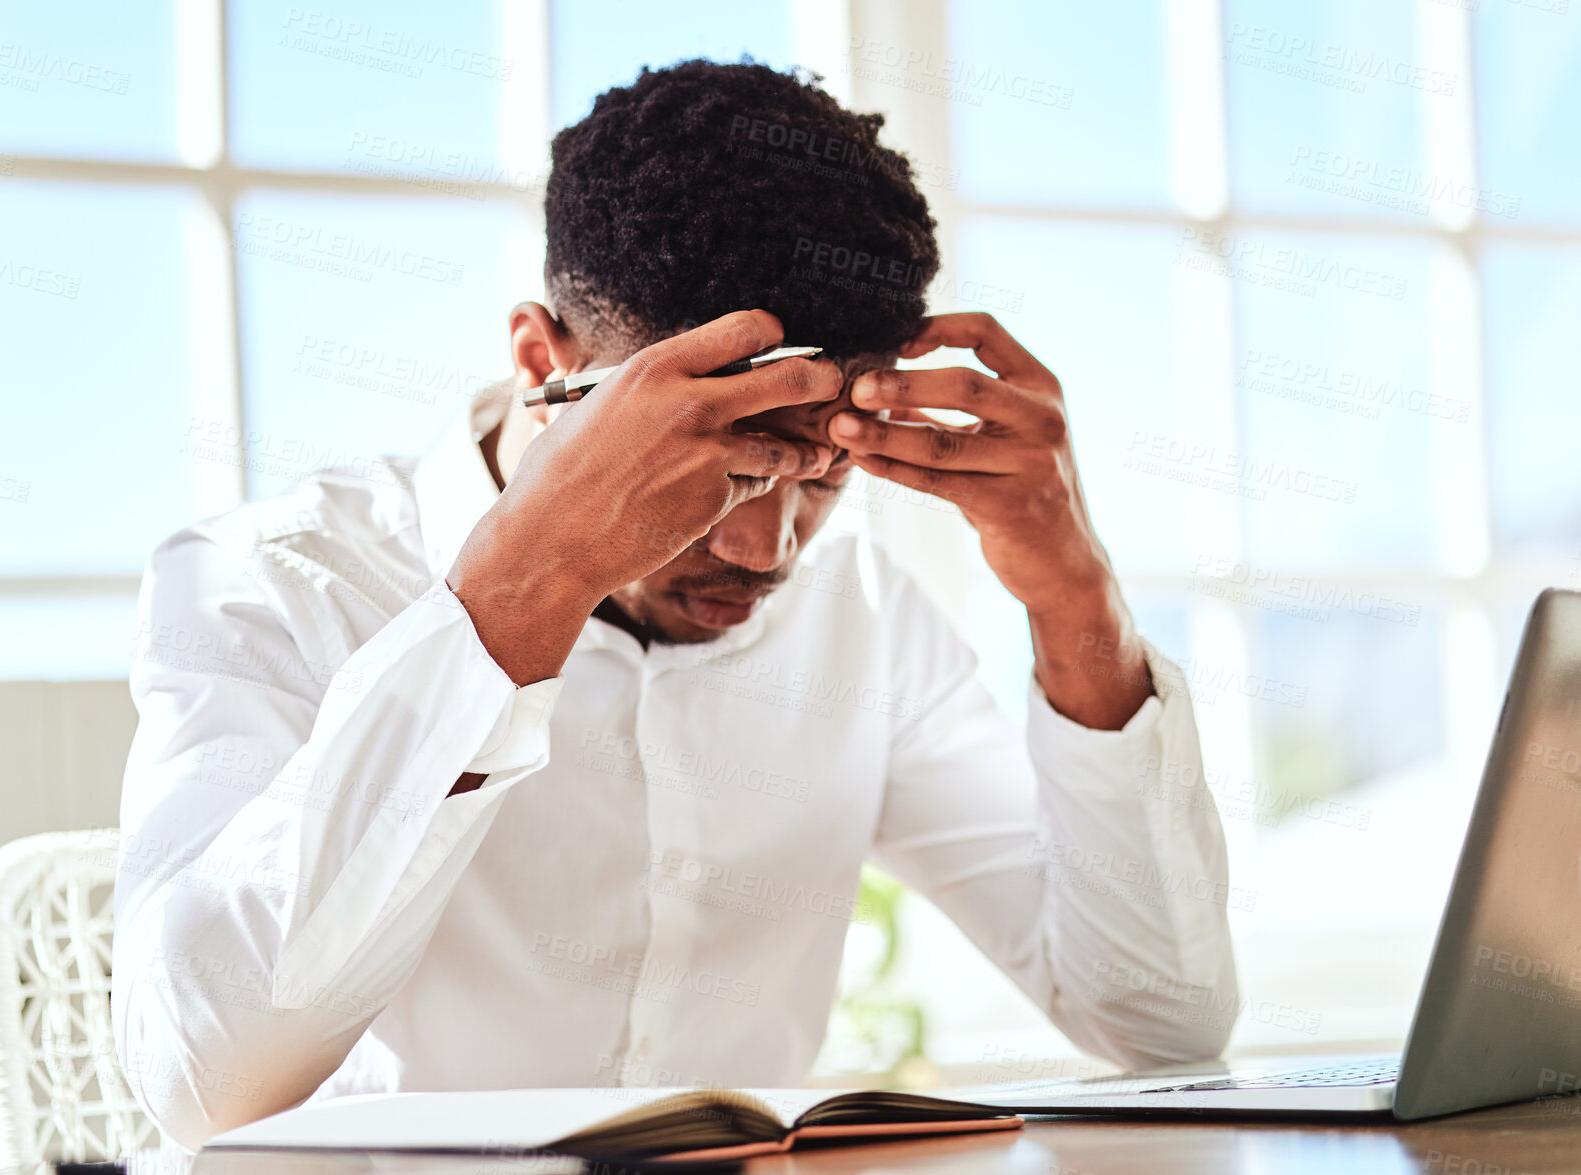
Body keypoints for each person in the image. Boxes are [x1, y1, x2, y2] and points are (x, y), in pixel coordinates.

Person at [112, 59, 1237, 1149]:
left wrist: (1073, 598)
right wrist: (520, 587)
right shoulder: (268, 583)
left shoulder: (866, 621)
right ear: (541, 361)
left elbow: (1156, 1023)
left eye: (819, 469)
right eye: (720, 463)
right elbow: (202, 1081)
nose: (765, 545)